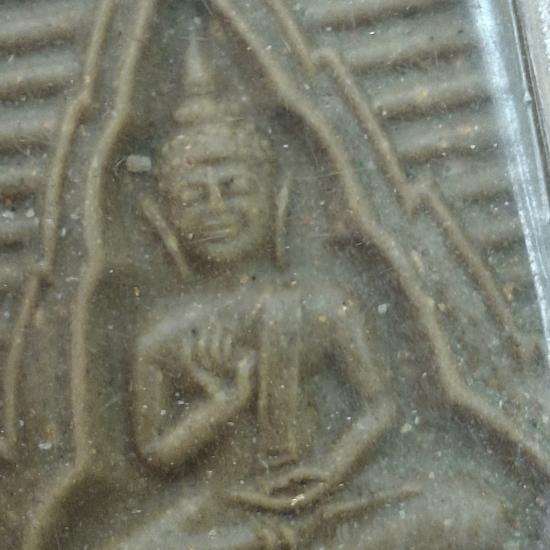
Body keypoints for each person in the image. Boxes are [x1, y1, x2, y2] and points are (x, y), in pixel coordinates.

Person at [117, 33, 517, 550]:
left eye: (233, 187)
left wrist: (330, 471)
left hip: (332, 497)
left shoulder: (325, 302)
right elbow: (156, 453)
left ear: (278, 196)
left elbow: (380, 405)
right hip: (226, 512)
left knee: (475, 509)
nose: (216, 207)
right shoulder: (163, 335)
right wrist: (223, 402)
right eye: (194, 196)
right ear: (164, 218)